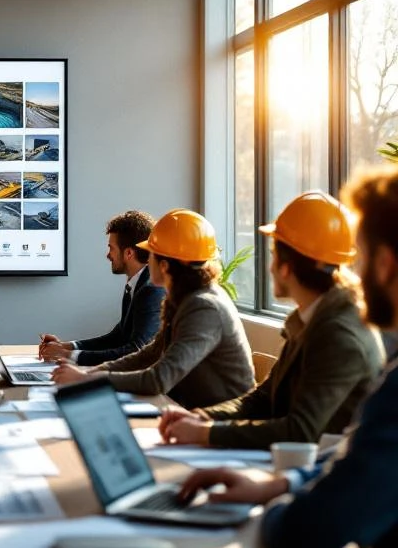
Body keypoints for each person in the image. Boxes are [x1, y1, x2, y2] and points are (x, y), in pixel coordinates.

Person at [175, 167, 398, 548]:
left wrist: (268, 509)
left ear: (383, 264)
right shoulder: (311, 322)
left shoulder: (349, 339)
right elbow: (270, 400)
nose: (353, 272)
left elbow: (305, 534)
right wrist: (278, 482)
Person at [160, 192, 383, 448]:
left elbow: (300, 431)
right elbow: (261, 399)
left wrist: (206, 434)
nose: (270, 267)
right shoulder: (311, 317)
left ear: (286, 267)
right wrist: (201, 418)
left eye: (273, 256)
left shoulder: (339, 334)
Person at [52, 209, 254, 409]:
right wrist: (89, 373)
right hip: (189, 413)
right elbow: (148, 355)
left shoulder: (204, 306)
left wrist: (89, 380)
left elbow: (159, 379)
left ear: (164, 266)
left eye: (151, 255)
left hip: (217, 423)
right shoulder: (185, 298)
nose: (147, 261)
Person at [39, 210, 164, 365]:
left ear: (129, 253)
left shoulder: (151, 290)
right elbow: (117, 337)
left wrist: (68, 356)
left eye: (111, 248)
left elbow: (136, 350)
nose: (107, 255)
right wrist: (68, 347)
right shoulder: (136, 284)